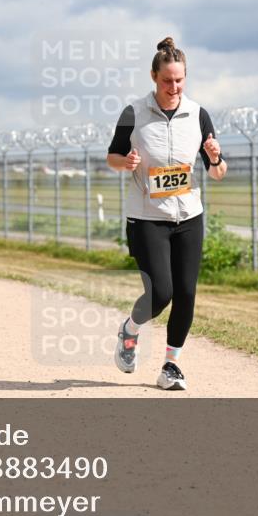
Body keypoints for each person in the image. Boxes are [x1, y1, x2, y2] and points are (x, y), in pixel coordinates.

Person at [105, 37, 227, 391]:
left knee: (186, 292)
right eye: (166, 81)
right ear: (153, 77)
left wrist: (216, 156)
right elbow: (111, 157)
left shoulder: (198, 114)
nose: (173, 88)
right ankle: (130, 331)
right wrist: (125, 161)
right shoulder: (134, 113)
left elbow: (217, 173)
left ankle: (171, 366)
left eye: (179, 80)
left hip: (188, 215)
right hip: (147, 217)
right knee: (161, 292)